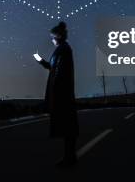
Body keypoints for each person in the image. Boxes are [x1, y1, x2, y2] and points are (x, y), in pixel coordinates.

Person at [37, 21, 79, 167]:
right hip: (62, 92)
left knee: (67, 126)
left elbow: (60, 72)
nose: (51, 40)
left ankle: (70, 158)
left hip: (63, 93)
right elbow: (53, 68)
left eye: (52, 37)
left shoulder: (64, 49)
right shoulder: (62, 49)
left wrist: (57, 92)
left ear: (58, 36)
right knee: (67, 126)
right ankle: (69, 157)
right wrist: (41, 61)